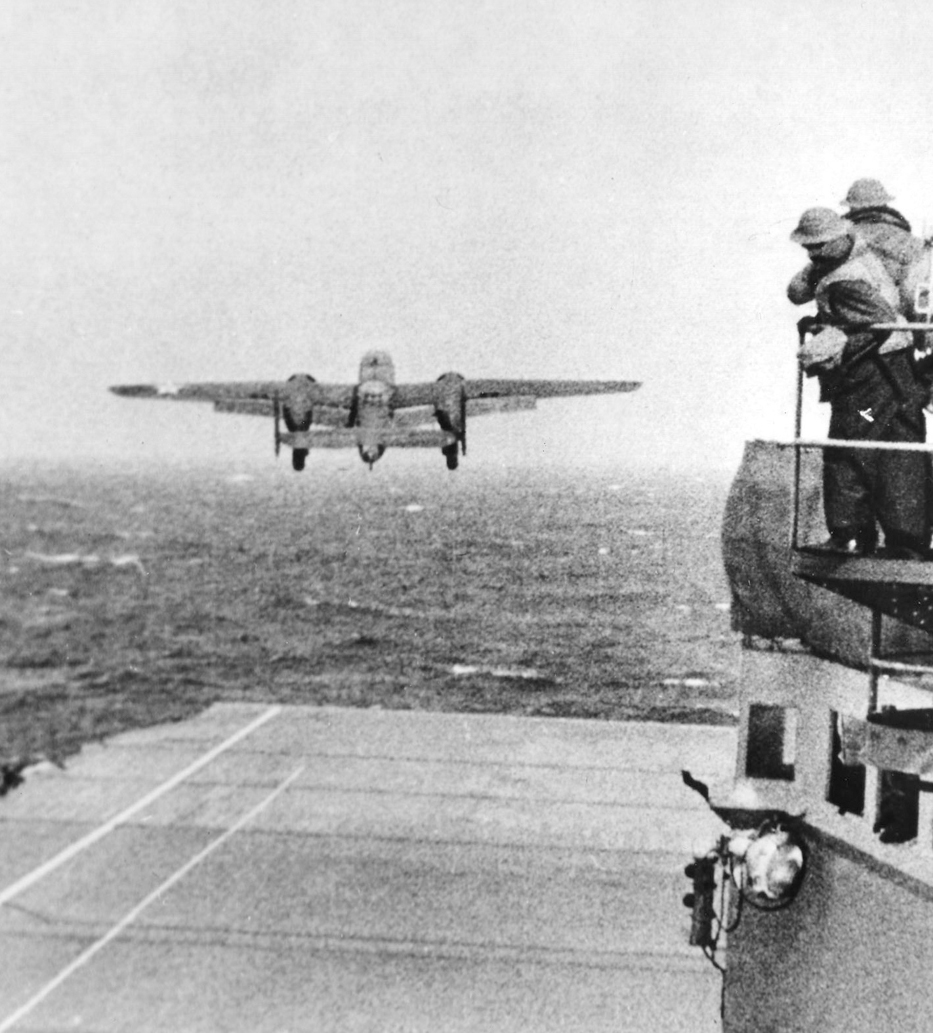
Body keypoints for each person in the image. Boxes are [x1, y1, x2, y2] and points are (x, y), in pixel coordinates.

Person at [788, 206, 930, 559]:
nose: (813, 254)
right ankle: (908, 541)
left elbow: (878, 320)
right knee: (900, 451)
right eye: (809, 248)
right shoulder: (864, 259)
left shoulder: (844, 279)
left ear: (840, 238)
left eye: (818, 246)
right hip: (898, 373)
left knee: (848, 445)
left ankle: (849, 534)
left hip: (869, 379)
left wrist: (837, 341)